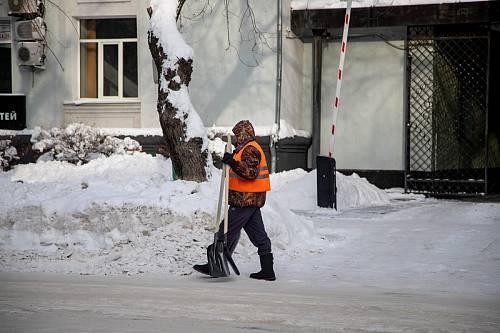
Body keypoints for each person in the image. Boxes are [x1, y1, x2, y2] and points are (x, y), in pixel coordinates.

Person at [193, 120, 275, 281]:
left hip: (245, 200)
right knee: (259, 236)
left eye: (238, 135)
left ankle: (215, 266)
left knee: (224, 231)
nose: (237, 138)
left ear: (244, 134)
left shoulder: (250, 149)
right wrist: (231, 160)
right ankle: (268, 271)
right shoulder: (245, 148)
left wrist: (232, 161)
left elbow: (250, 173)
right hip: (249, 200)